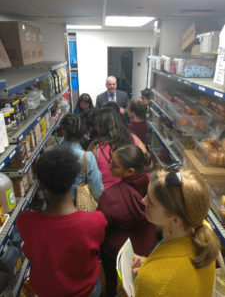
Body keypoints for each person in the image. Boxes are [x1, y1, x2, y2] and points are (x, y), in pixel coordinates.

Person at [17, 146, 107, 297]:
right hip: (87, 292)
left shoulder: (26, 222)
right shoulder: (96, 221)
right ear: (73, 178)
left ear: (41, 184)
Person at [132, 167, 221, 297]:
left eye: (151, 201)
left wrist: (151, 272)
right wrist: (150, 264)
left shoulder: (151, 283)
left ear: (174, 220)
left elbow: (166, 282)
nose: (143, 201)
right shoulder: (204, 236)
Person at [97, 145, 158, 297]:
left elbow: (101, 228)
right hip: (150, 246)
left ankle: (110, 291)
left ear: (130, 171)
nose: (109, 165)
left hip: (118, 254)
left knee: (111, 279)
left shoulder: (110, 197)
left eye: (114, 165)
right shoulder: (155, 185)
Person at [88, 107, 147, 190]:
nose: (96, 128)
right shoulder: (134, 139)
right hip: (131, 191)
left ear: (102, 126)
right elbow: (147, 162)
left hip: (104, 194)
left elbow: (88, 171)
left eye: (97, 125)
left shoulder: (95, 147)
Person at [61, 113, 104, 203]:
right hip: (78, 206)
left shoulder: (48, 152)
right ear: (83, 133)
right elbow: (97, 192)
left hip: (53, 207)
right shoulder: (87, 157)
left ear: (63, 131)